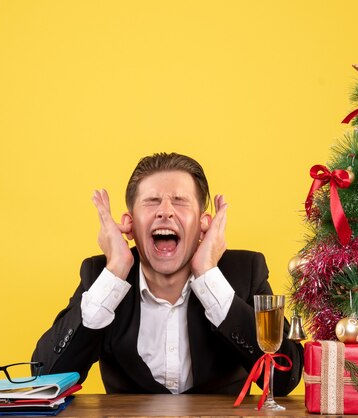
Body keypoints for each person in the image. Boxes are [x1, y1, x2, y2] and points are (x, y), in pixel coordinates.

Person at [31, 152, 303, 394]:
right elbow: (44, 379)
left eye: (179, 201)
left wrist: (208, 275)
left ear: (203, 223)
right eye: (151, 201)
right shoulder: (100, 276)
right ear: (130, 223)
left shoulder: (243, 272)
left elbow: (284, 379)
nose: (165, 212)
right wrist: (115, 271)